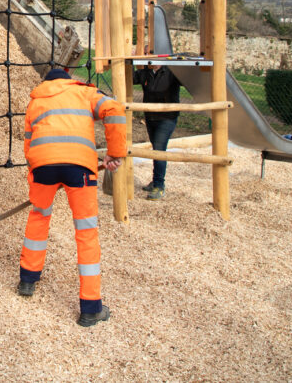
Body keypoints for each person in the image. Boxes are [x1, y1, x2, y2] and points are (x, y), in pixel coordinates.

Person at [18, 68, 126, 327]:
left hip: (43, 165)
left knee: (38, 218)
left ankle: (27, 281)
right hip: (80, 167)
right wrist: (115, 153)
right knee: (86, 231)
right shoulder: (85, 92)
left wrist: (41, 174)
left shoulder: (35, 101)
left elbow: (28, 144)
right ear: (69, 80)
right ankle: (90, 309)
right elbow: (115, 110)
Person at [133, 64, 182, 200]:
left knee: (159, 150)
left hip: (167, 118)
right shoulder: (146, 72)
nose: (148, 59)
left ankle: (160, 186)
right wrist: (128, 61)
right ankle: (155, 181)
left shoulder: (170, 72)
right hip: (151, 117)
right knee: (156, 148)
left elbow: (187, 81)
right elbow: (130, 78)